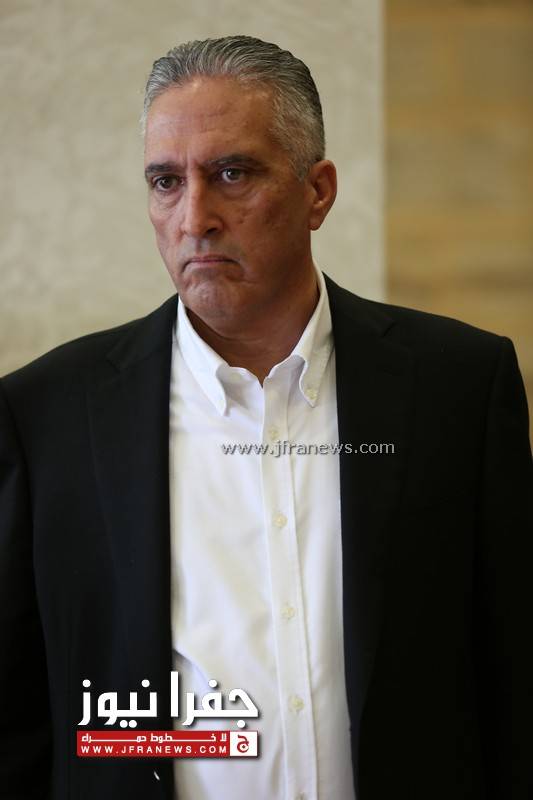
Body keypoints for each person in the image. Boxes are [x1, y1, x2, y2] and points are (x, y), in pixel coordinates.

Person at [0, 35, 532, 800]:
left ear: (317, 191)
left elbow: (513, 674)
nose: (195, 217)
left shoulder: (458, 386)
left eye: (231, 173)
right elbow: (18, 722)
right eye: (165, 181)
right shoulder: (46, 416)